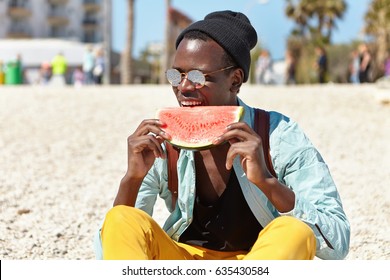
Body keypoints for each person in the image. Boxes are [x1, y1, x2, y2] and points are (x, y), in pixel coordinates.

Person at [95, 10, 350, 260]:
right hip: (182, 262)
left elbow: (338, 241)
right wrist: (132, 178)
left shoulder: (278, 134)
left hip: (258, 262)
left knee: (295, 231)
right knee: (120, 217)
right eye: (176, 75)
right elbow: (115, 243)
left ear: (235, 80)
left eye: (198, 77)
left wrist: (267, 182)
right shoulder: (164, 140)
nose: (183, 88)